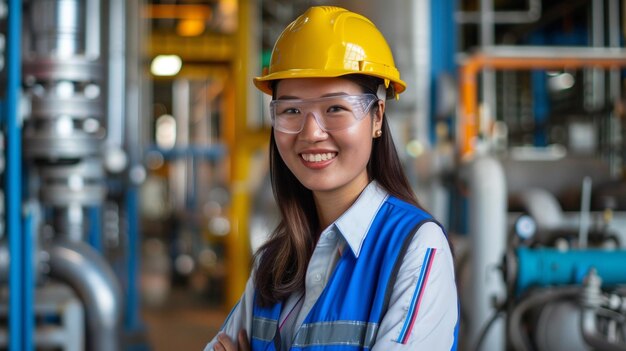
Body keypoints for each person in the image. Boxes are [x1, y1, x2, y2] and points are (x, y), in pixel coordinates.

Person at [204, 6, 458, 351]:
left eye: (335, 108)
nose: (311, 133)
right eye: (291, 110)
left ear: (377, 116)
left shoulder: (416, 247)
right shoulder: (273, 261)